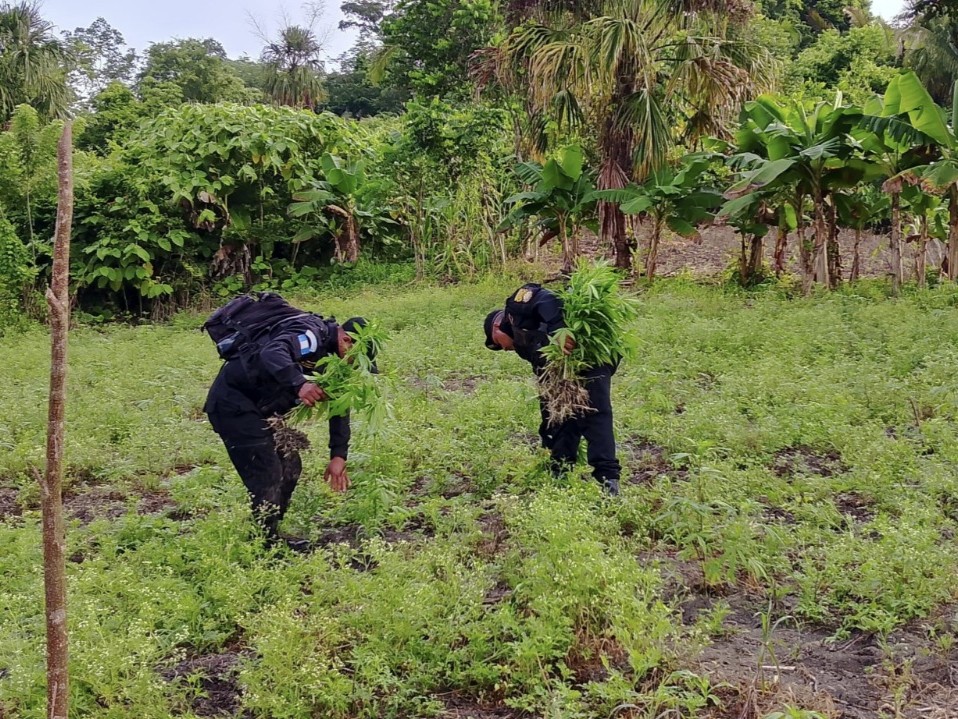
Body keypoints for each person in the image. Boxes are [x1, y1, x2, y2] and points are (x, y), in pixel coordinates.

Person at [204, 312, 373, 549]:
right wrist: (300, 383)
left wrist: (338, 455)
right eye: (357, 358)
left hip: (261, 410)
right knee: (269, 473)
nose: (354, 365)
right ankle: (263, 546)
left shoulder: (333, 362)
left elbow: (339, 405)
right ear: (347, 341)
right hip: (234, 406)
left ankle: (270, 534)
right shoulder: (311, 336)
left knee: (291, 465)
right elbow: (273, 352)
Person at [484, 283, 621, 495]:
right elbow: (543, 373)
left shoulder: (515, 309)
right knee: (559, 418)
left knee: (595, 414)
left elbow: (546, 299)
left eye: (497, 343)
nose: (504, 348)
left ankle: (608, 482)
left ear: (496, 327)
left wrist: (560, 331)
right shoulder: (522, 347)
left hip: (589, 357)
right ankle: (560, 471)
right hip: (562, 373)